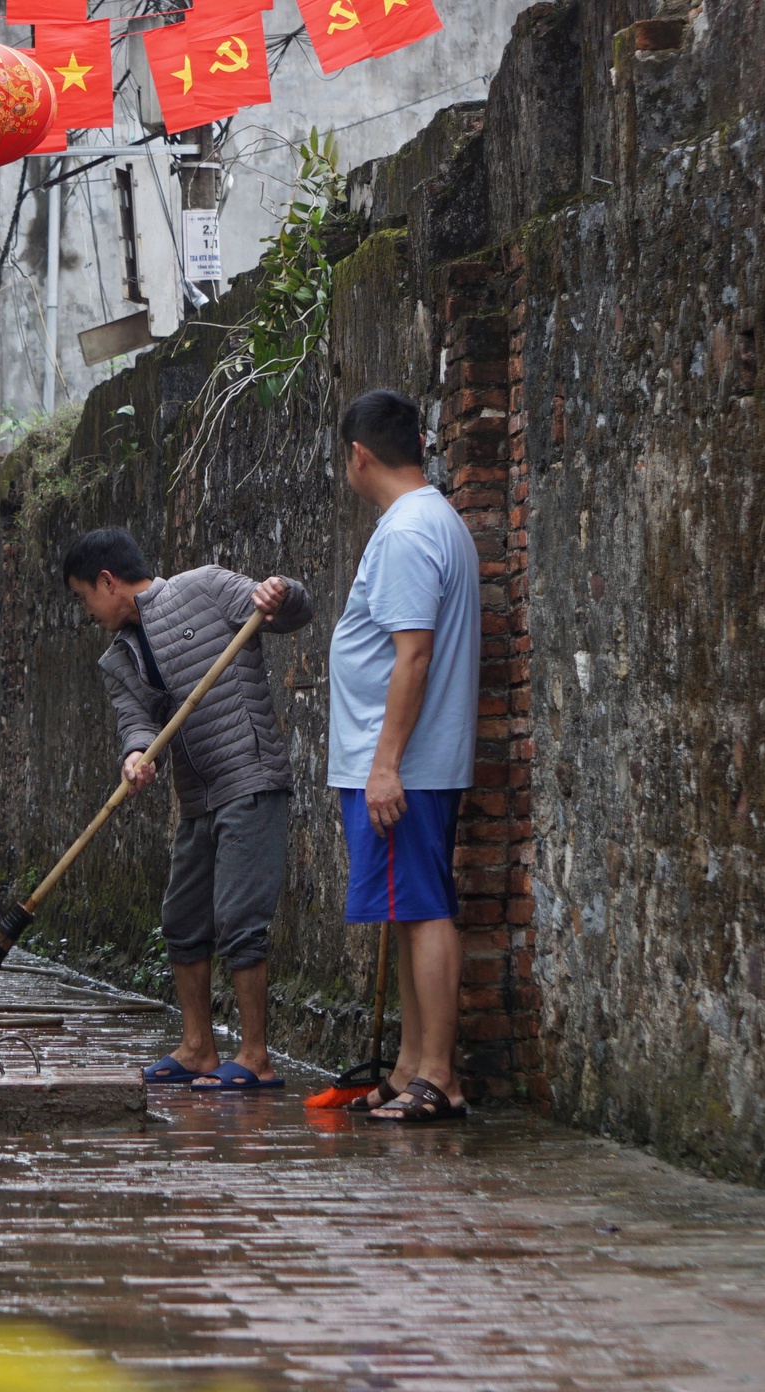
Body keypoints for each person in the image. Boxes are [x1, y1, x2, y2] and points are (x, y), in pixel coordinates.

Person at [62, 528, 312, 1089]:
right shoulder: (118, 657)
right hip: (196, 796)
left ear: (107, 581)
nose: (87, 610)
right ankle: (198, 1046)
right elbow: (136, 720)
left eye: (84, 596)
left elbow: (291, 611)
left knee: (240, 921)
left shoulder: (205, 587)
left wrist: (282, 591)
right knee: (181, 919)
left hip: (249, 777)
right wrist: (135, 755)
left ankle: (254, 1057)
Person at [328, 389, 481, 1123]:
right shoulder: (434, 520)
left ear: (360, 455)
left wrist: (385, 762)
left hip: (403, 764)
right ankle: (412, 1066)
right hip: (412, 760)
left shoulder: (407, 531)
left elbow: (412, 654)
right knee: (411, 905)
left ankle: (438, 1077)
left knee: (423, 909)